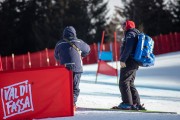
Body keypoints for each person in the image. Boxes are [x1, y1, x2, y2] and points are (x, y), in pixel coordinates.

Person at [54, 26, 90, 110]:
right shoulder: (79, 42)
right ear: (74, 33)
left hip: (64, 69)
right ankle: (72, 104)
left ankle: (65, 103)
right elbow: (88, 49)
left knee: (65, 87)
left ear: (64, 34)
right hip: (76, 68)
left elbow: (56, 56)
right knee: (75, 87)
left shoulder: (59, 43)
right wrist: (82, 54)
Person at [118, 20, 145, 110]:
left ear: (127, 26)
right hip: (134, 62)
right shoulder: (135, 33)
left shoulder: (130, 34)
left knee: (123, 82)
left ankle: (127, 103)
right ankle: (136, 103)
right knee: (130, 83)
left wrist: (123, 60)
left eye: (123, 25)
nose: (122, 27)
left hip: (129, 61)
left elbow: (128, 48)